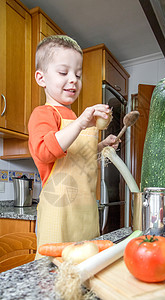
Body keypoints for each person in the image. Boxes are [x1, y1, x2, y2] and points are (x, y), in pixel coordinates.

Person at [28, 35, 119, 259]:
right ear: (41, 78)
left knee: (84, 267)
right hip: (59, 214)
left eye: (78, 74)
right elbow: (44, 151)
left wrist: (100, 146)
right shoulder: (43, 114)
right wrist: (80, 123)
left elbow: (76, 153)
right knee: (55, 274)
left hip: (85, 212)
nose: (73, 80)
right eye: (63, 72)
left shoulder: (73, 117)